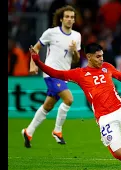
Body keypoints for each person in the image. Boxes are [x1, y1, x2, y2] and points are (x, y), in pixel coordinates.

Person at [21, 5, 81, 148]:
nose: (69, 19)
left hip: (63, 75)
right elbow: (35, 48)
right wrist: (33, 64)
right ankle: (57, 131)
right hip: (50, 72)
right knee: (69, 99)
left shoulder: (76, 36)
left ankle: (28, 131)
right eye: (67, 16)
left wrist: (75, 51)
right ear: (61, 18)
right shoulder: (51, 33)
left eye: (72, 17)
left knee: (47, 106)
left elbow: (76, 60)